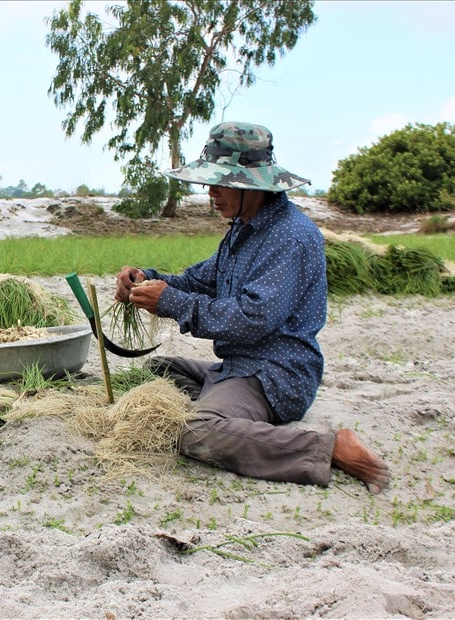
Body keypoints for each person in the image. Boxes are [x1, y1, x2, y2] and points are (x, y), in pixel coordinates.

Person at [115, 122, 390, 494]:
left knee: (198, 433)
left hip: (276, 375)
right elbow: (199, 281)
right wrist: (145, 280)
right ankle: (225, 404)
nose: (210, 192)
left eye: (220, 183)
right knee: (160, 371)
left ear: (252, 185)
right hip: (238, 366)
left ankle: (328, 449)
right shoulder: (244, 227)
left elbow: (252, 319)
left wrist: (171, 302)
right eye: (209, 182)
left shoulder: (290, 236)